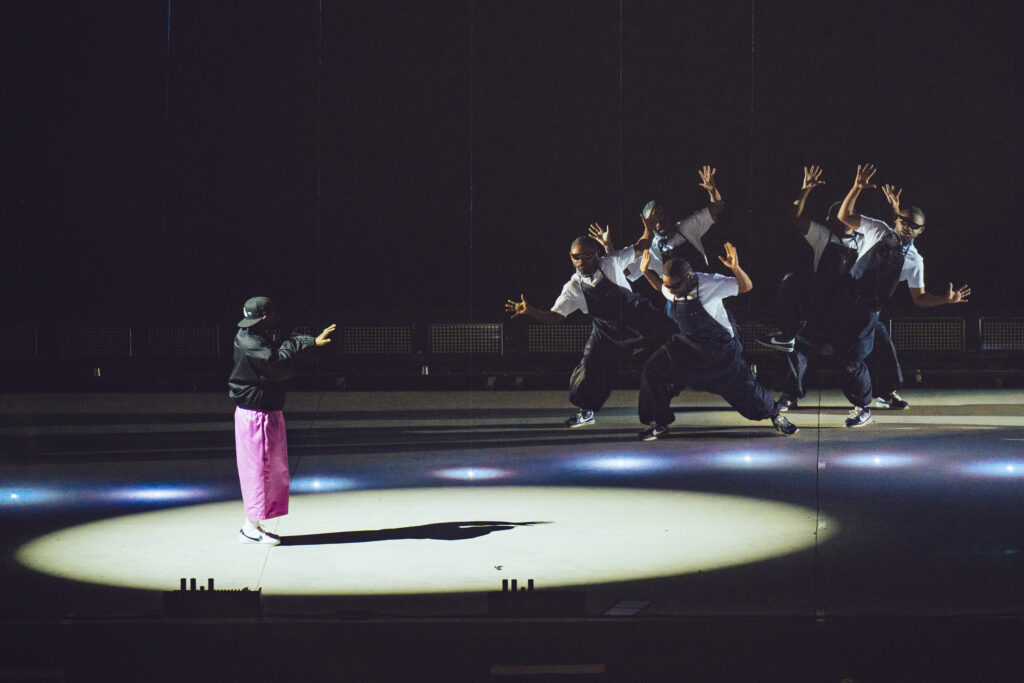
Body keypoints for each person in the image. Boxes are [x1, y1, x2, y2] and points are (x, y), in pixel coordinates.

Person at [505, 221, 667, 428]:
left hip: (637, 323)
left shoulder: (611, 262)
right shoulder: (573, 287)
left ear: (596, 254)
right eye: (576, 257)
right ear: (570, 257)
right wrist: (530, 311)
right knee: (589, 368)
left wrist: (649, 227)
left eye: (586, 256)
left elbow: (642, 245)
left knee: (655, 366)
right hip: (605, 332)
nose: (581, 261)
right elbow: (556, 317)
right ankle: (587, 411)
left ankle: (657, 419)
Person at [758, 166, 892, 411]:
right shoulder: (823, 236)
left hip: (849, 310)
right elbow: (795, 217)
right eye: (839, 217)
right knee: (797, 344)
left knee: (879, 335)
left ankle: (888, 391)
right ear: (831, 220)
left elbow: (892, 240)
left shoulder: (865, 240)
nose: (845, 220)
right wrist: (805, 190)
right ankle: (791, 394)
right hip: (820, 305)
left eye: (849, 216)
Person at [636, 244, 798, 440]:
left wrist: (735, 268)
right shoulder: (673, 287)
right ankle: (659, 422)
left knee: (745, 389)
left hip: (720, 348)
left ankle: (774, 415)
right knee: (653, 369)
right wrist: (646, 272)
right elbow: (661, 288)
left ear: (689, 277)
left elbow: (745, 287)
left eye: (674, 286)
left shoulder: (709, 282)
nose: (671, 291)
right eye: (668, 285)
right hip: (688, 344)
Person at [228, 296, 336, 546]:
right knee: (259, 471)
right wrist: (301, 343)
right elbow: (278, 363)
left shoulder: (255, 334)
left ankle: (252, 525)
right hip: (256, 415)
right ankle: (250, 528)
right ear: (266, 317)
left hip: (264, 411)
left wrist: (310, 341)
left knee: (269, 469)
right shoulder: (250, 342)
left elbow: (281, 349)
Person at [866, 184, 971, 409]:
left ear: (921, 231)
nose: (907, 228)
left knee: (882, 347)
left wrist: (945, 299)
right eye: (903, 222)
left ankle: (885, 393)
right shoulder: (879, 231)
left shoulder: (914, 260)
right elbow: (847, 217)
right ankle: (789, 395)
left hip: (868, 310)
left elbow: (919, 298)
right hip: (843, 297)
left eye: (914, 226)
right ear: (896, 220)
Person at [625, 165, 724, 280]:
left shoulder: (686, 227)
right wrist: (609, 247)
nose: (660, 221)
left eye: (662, 215)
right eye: (655, 218)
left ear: (670, 215)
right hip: (676, 296)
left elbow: (717, 206)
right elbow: (622, 271)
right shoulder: (648, 248)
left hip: (704, 286)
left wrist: (712, 190)